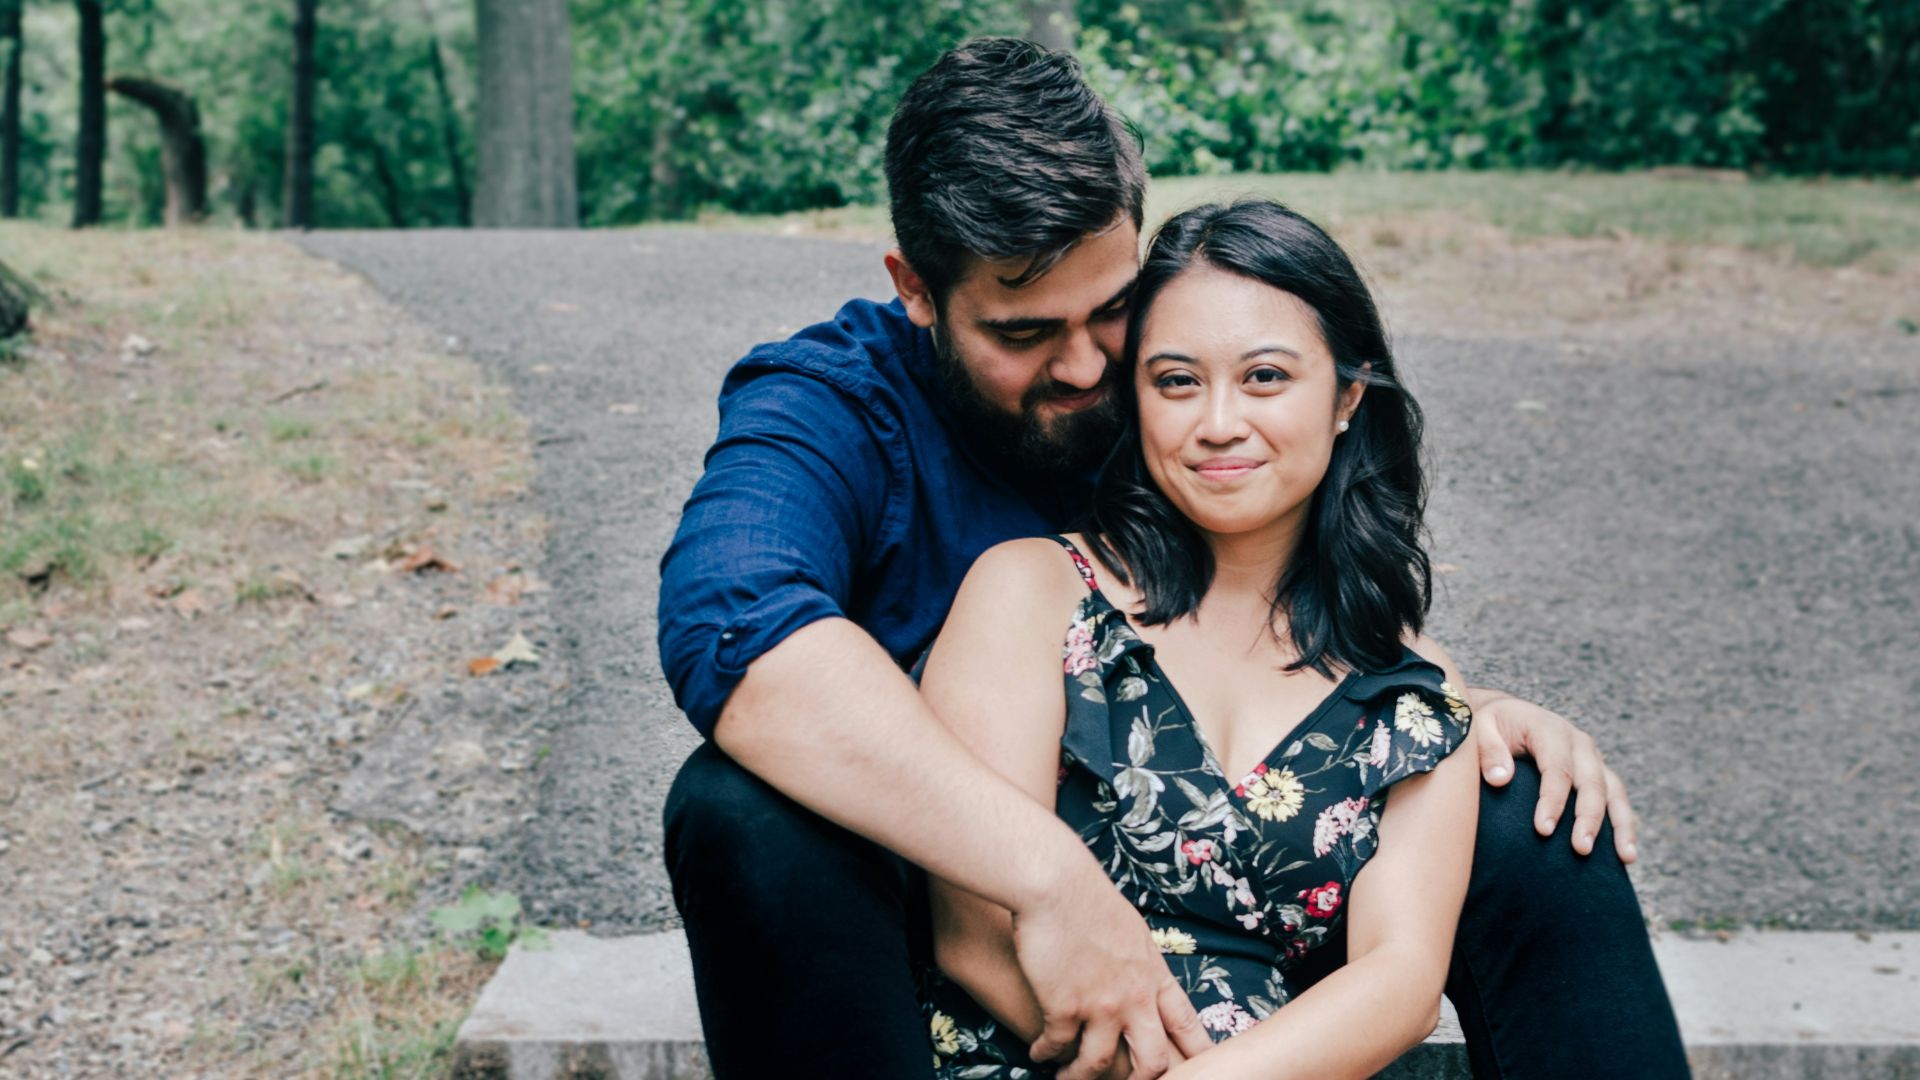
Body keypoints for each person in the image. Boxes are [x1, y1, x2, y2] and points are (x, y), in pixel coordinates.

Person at [660, 37, 1687, 1080]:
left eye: (1112, 311)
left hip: (1255, 937)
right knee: (741, 809)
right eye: (1024, 331)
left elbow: (1278, 585)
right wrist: (1047, 879)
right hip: (969, 925)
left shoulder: (1172, 384)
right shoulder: (841, 413)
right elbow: (736, 626)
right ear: (917, 290)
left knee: (1530, 802)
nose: (1085, 366)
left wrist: (1446, 716)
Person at [920, 197, 1480, 1077]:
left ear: (1347, 398)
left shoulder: (1406, 690)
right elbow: (973, 936)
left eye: (1265, 378)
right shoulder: (1030, 592)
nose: (1218, 422)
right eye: (1176, 381)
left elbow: (1401, 981)